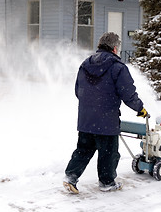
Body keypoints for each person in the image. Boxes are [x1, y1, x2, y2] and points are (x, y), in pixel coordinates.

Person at [63, 32, 148, 194]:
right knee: (108, 153)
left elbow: (77, 91)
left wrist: (90, 105)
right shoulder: (118, 67)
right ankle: (107, 182)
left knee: (83, 149)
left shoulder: (85, 64)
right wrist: (140, 109)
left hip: (86, 119)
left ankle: (71, 177)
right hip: (107, 120)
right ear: (115, 48)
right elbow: (128, 93)